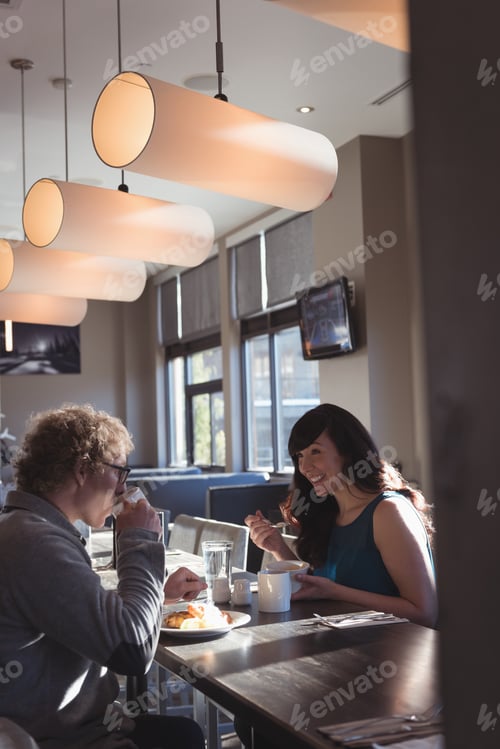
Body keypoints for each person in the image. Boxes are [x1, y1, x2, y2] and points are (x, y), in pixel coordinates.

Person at [0, 403, 206, 749]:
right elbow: (133, 649)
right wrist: (139, 541)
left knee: (183, 734)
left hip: (54, 725)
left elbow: (73, 611)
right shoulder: (36, 543)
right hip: (63, 738)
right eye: (119, 471)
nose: (124, 486)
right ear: (83, 470)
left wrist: (157, 594)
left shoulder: (23, 527)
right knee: (184, 736)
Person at [246, 403, 437, 628]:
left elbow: (424, 613)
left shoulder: (388, 513)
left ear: (348, 452)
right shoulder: (329, 513)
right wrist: (277, 547)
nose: (304, 466)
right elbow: (317, 588)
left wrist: (336, 592)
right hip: (338, 648)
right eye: (299, 456)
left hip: (391, 652)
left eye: (315, 451)